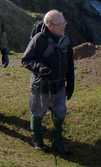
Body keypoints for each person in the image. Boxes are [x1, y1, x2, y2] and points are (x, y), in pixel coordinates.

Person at [21, 10, 74, 154]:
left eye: (64, 23)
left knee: (60, 112)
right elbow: (26, 60)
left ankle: (58, 140)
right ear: (50, 26)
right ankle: (38, 140)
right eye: (60, 24)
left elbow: (70, 63)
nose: (63, 27)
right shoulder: (39, 39)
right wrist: (41, 68)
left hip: (59, 84)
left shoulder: (66, 39)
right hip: (41, 85)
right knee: (38, 112)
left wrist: (70, 82)